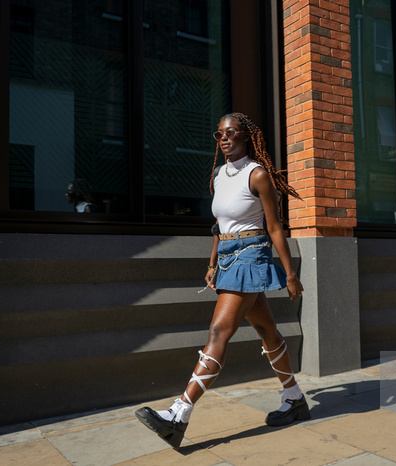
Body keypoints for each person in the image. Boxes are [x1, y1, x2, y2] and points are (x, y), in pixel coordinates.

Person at [136, 112, 309, 449]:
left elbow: (275, 227)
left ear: (247, 137)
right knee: (267, 331)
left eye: (231, 133)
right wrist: (213, 262)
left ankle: (178, 414)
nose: (225, 139)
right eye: (219, 134)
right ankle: (295, 398)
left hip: (251, 255)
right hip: (229, 259)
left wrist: (290, 274)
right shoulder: (218, 175)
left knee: (219, 331)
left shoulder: (257, 174)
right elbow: (219, 225)